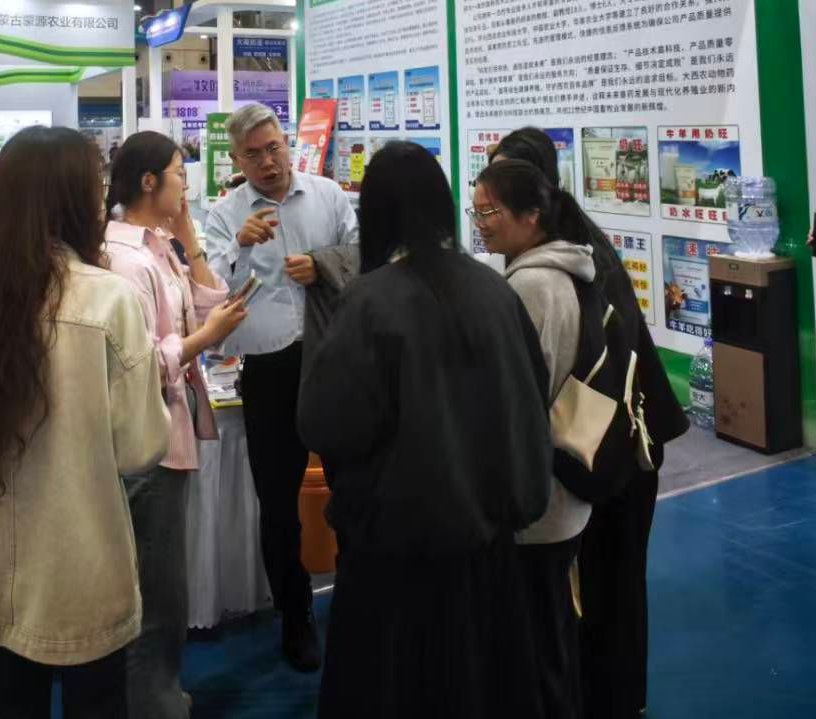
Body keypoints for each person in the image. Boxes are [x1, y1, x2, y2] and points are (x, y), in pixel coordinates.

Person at [0, 127, 170, 717]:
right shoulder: (105, 300)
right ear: (77, 199)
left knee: (6, 706)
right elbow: (141, 446)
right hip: (79, 561)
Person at [299, 142, 554, 717]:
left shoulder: (370, 301)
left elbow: (324, 422)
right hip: (488, 551)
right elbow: (532, 401)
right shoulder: (494, 290)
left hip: (395, 560)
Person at [490, 126, 687, 719]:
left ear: (530, 199)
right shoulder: (576, 245)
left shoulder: (554, 269)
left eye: (499, 190)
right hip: (615, 442)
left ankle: (611, 701)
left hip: (608, 450)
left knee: (604, 588)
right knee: (604, 589)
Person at [201, 102, 357, 672]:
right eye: (254, 155)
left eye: (274, 148)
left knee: (352, 485)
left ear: (287, 143)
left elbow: (361, 256)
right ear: (237, 160)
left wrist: (322, 264)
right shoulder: (224, 215)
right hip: (267, 369)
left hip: (331, 359)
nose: (268, 162)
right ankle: (295, 617)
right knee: (278, 503)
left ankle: (359, 598)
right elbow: (211, 292)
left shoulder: (328, 195)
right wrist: (240, 247)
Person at [103, 132, 250, 719]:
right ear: (149, 182)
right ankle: (151, 702)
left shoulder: (160, 246)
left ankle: (158, 694)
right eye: (179, 174)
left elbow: (211, 302)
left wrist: (190, 240)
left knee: (165, 581)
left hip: (171, 428)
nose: (186, 186)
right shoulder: (122, 258)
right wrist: (203, 340)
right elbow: (136, 363)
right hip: (149, 438)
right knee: (154, 589)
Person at [471, 156, 593, 719]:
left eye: (490, 212)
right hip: (560, 488)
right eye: (476, 212)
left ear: (532, 215)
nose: (481, 224)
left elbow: (514, 400)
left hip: (538, 499)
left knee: (537, 648)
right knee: (553, 633)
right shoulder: (560, 269)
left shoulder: (531, 285)